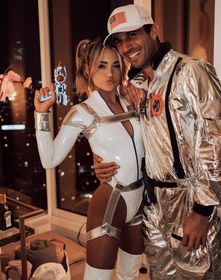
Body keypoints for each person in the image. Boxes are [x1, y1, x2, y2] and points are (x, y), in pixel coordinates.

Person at [93, 4, 221, 279]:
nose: (126, 47)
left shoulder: (191, 72)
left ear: (153, 30)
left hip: (190, 206)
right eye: (120, 42)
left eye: (132, 35)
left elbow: (220, 144)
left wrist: (202, 211)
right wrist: (102, 160)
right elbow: (131, 137)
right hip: (153, 209)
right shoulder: (138, 87)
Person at [34, 37, 145, 280]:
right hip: (110, 202)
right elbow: (49, 159)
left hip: (139, 200)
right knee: (98, 277)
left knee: (131, 275)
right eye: (102, 65)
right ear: (87, 69)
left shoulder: (133, 101)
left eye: (116, 65)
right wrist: (41, 115)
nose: (110, 73)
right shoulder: (82, 112)